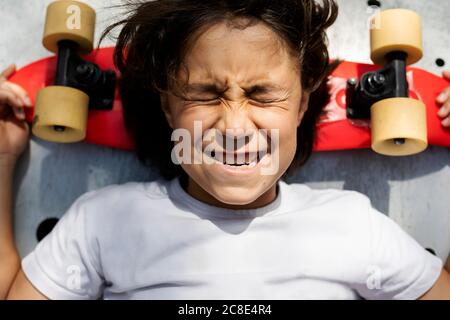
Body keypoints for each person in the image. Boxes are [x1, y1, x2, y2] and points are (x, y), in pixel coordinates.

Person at [1, 0, 450, 300]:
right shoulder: (104, 221)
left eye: (261, 94)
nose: (234, 126)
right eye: (204, 94)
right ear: (168, 106)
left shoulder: (353, 223)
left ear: (301, 105)